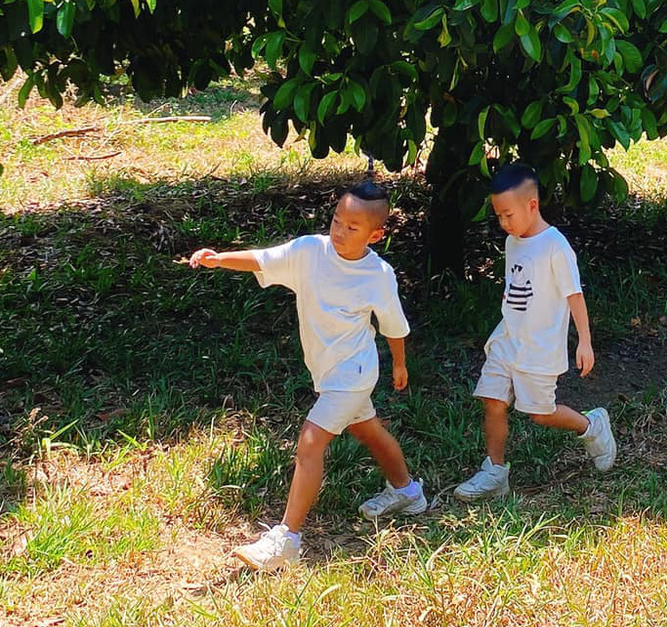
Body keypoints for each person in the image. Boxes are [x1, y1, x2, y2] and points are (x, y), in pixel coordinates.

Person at [188, 180, 424, 571]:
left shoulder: (378, 274)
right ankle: (408, 492)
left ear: (375, 234)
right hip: (329, 370)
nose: (339, 232)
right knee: (368, 430)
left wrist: (399, 363)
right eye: (336, 220)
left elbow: (393, 326)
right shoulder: (309, 251)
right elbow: (264, 259)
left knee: (310, 444)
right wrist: (219, 258)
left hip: (355, 373)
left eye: (352, 227)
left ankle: (287, 539)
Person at [452, 163, 618, 500]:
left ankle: (592, 426)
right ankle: (495, 471)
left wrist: (584, 341)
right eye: (498, 215)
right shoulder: (515, 241)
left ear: (532, 205)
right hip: (507, 339)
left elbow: (575, 295)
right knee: (493, 400)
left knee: (541, 414)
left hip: (539, 346)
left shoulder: (555, 246)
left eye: (508, 214)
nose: (503, 223)